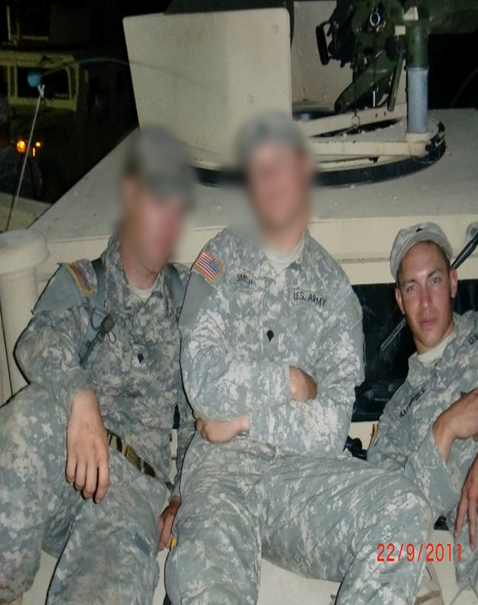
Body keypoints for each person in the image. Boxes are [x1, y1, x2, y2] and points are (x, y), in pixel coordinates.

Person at [164, 112, 429, 605]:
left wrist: (241, 421)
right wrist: (288, 381)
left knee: (404, 505)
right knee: (205, 585)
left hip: (300, 479)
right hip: (222, 474)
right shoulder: (217, 259)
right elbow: (202, 382)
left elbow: (330, 426)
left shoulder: (335, 291)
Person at [0, 128, 194, 604]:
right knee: (29, 414)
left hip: (132, 493)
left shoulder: (188, 301)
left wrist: (183, 495)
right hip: (68, 472)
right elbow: (36, 342)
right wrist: (82, 398)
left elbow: (198, 420)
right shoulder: (86, 283)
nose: (168, 222)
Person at [367, 222, 478, 604]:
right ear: (399, 299)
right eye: (412, 287)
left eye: (435, 280)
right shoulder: (397, 419)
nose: (425, 302)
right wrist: (442, 431)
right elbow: (394, 516)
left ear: (455, 282)